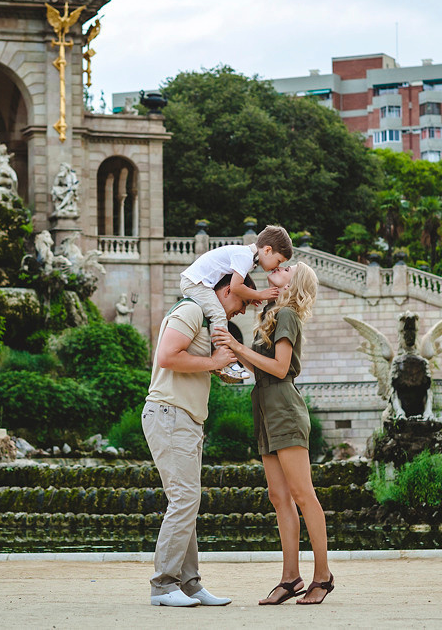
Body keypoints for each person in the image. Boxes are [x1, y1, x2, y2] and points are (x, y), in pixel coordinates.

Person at [213, 262, 334, 606]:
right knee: (278, 497)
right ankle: (290, 577)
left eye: (287, 268)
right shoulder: (270, 313)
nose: (278, 267)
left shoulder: (288, 315)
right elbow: (259, 366)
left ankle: (322, 577)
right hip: (265, 405)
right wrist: (231, 355)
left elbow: (280, 368)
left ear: (293, 283)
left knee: (302, 494)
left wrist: (237, 348)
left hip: (283, 406)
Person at [141, 272, 256, 607]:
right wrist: (213, 361)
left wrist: (217, 367)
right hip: (169, 414)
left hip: (184, 418)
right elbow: (166, 356)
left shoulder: (204, 321)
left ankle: (189, 584)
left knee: (187, 501)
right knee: (184, 499)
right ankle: (163, 585)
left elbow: (186, 362)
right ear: (224, 291)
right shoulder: (191, 310)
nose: (244, 310)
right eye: (243, 301)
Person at [180, 224, 292, 382]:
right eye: (278, 260)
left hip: (196, 282)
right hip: (195, 283)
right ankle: (223, 361)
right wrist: (259, 294)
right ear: (267, 250)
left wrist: (252, 297)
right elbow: (235, 287)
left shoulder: (246, 256)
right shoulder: (245, 256)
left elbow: (237, 288)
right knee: (218, 314)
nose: (277, 266)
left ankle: (213, 354)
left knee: (212, 317)